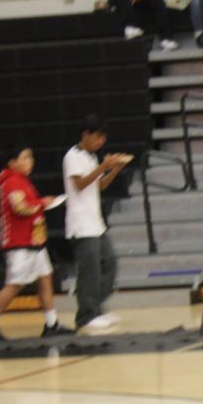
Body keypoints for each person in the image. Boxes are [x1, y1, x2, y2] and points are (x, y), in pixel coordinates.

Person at [0, 147, 75, 341]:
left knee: (45, 278)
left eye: (31, 157)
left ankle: (51, 323)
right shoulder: (11, 182)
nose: (31, 161)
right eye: (25, 157)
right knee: (14, 284)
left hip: (33, 242)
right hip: (19, 243)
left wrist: (40, 204)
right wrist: (43, 203)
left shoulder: (21, 181)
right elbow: (20, 208)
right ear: (12, 163)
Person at [63, 115, 130, 331]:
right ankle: (85, 315)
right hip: (81, 224)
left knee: (110, 262)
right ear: (86, 134)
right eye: (98, 137)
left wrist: (115, 169)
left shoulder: (91, 158)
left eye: (103, 138)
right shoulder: (72, 156)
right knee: (89, 269)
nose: (101, 142)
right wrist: (103, 166)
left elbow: (99, 186)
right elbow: (80, 184)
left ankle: (95, 308)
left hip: (96, 223)